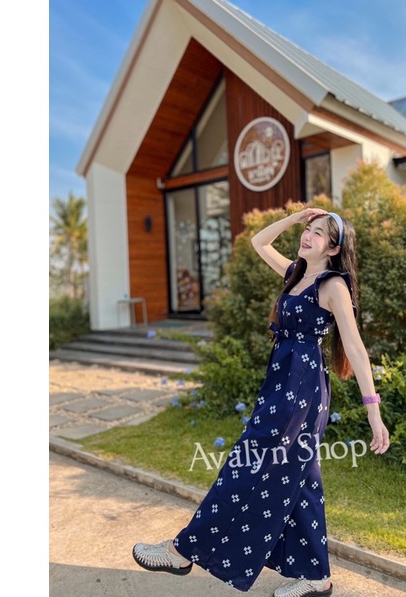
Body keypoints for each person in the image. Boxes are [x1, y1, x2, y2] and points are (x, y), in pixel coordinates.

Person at [132, 208, 390, 596]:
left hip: (301, 390)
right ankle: (317, 577)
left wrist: (374, 411)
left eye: (319, 233)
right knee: (302, 476)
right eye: (308, 229)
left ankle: (181, 551)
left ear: (334, 249)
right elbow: (259, 242)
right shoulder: (296, 274)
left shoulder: (332, 285)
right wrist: (295, 217)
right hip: (284, 382)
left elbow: (354, 347)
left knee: (245, 465)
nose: (308, 235)